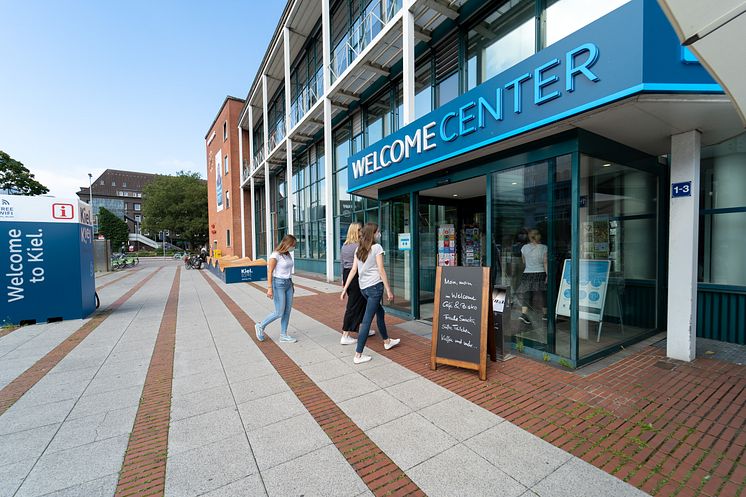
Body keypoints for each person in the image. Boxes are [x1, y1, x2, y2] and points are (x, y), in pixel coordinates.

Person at [340, 223, 399, 364]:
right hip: (374, 289)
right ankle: (358, 355)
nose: (379, 234)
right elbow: (381, 270)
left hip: (364, 288)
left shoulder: (359, 249)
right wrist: (389, 290)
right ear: (373, 233)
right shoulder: (377, 248)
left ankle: (387, 341)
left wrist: (344, 289)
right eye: (378, 231)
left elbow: (353, 270)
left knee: (380, 312)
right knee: (366, 321)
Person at [255, 234, 298, 344]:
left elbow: (288, 271)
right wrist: (269, 288)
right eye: (292, 245)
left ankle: (284, 335)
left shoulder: (288, 255)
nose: (294, 247)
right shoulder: (275, 255)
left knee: (287, 311)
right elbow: (269, 272)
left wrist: (291, 284)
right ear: (286, 244)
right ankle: (260, 325)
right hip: (278, 284)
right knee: (279, 312)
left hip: (288, 283)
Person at [340, 223, 373, 345]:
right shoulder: (358, 246)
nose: (362, 231)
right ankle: (345, 334)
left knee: (361, 303)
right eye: (360, 230)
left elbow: (342, 264)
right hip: (355, 275)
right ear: (355, 231)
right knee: (354, 305)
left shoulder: (344, 246)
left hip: (347, 274)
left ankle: (362, 328)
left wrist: (343, 280)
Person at [517, 228, 548, 325]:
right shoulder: (544, 247)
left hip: (528, 273)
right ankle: (545, 315)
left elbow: (523, 261)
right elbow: (545, 262)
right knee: (542, 294)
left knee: (527, 294)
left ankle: (524, 314)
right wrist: (547, 274)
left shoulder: (524, 248)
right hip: (540, 272)